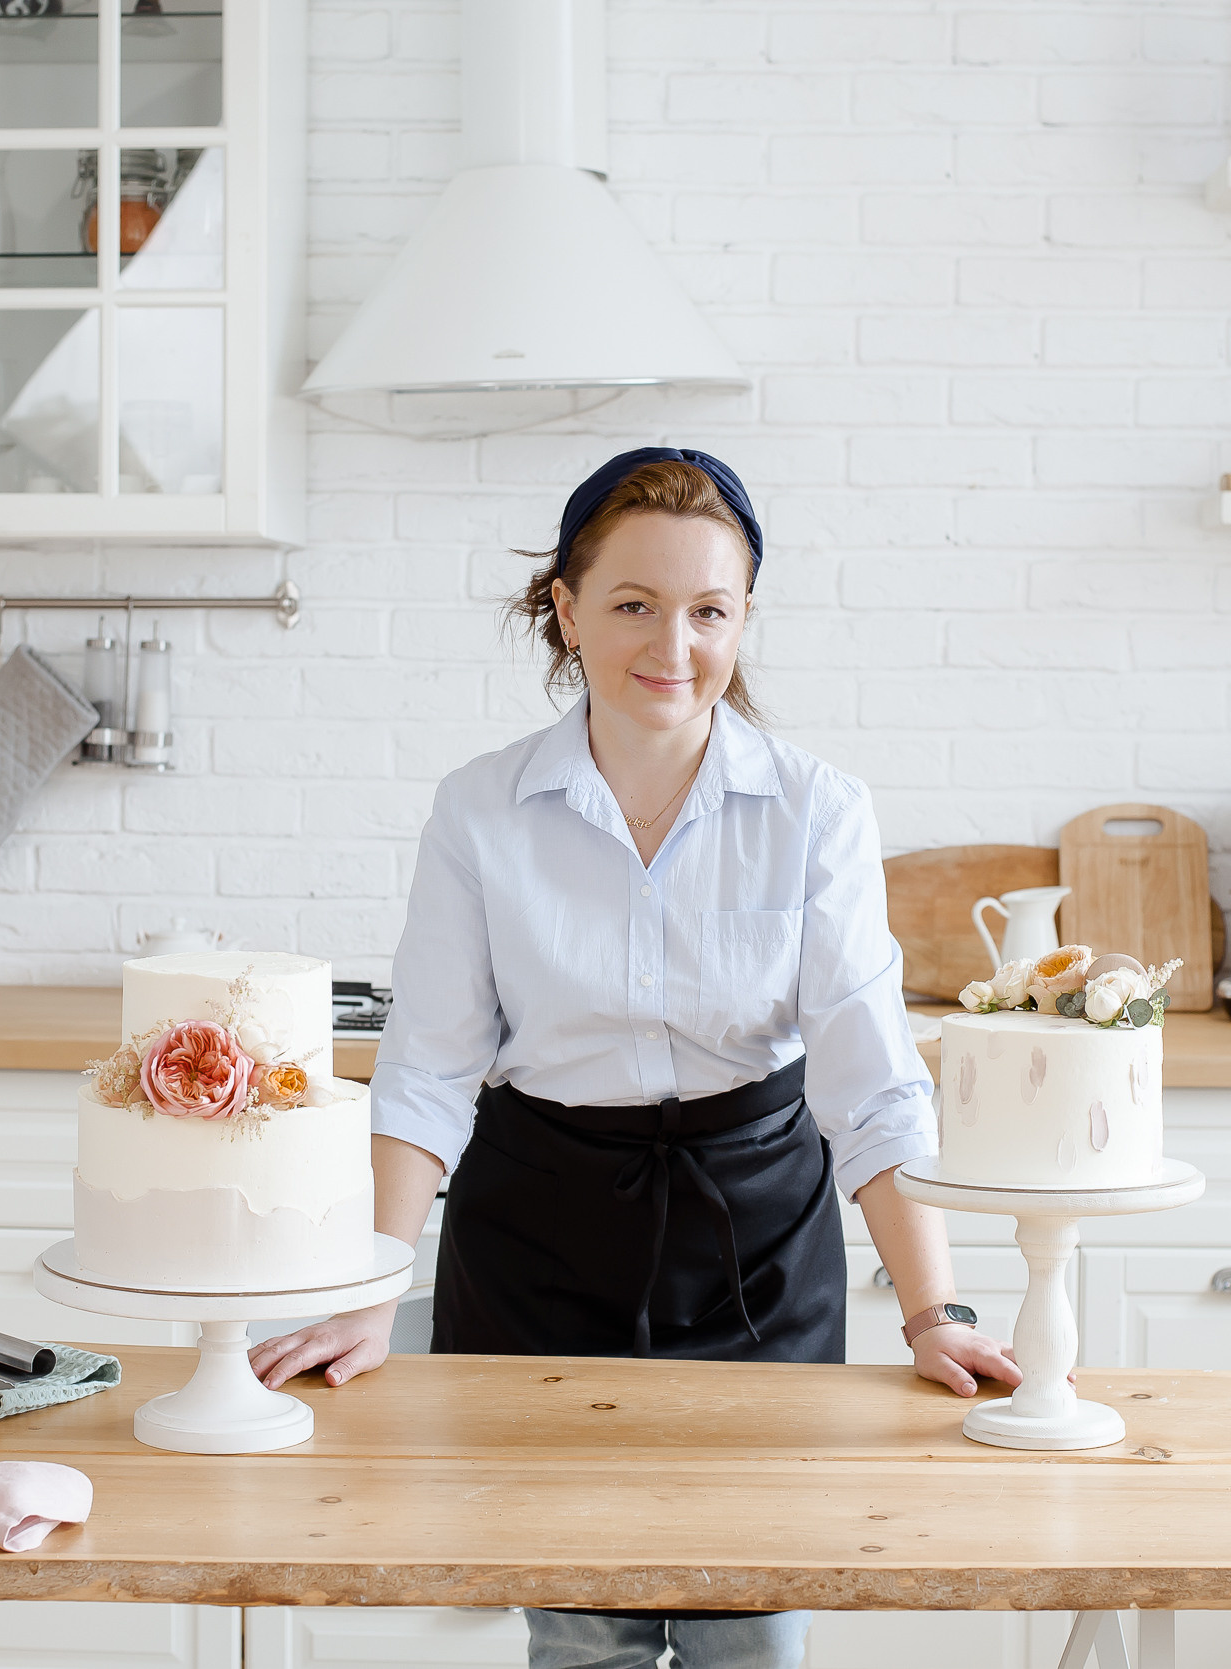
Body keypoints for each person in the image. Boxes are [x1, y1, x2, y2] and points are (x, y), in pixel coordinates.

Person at [250, 448, 1019, 1669]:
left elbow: (871, 1084)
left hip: (756, 1235)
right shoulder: (479, 811)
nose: (674, 643)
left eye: (710, 610)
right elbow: (429, 1075)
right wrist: (367, 1292)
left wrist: (936, 1311)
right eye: (632, 604)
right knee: (581, 1635)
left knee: (753, 1633)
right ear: (565, 607)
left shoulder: (820, 810)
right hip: (539, 1235)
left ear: (745, 617)